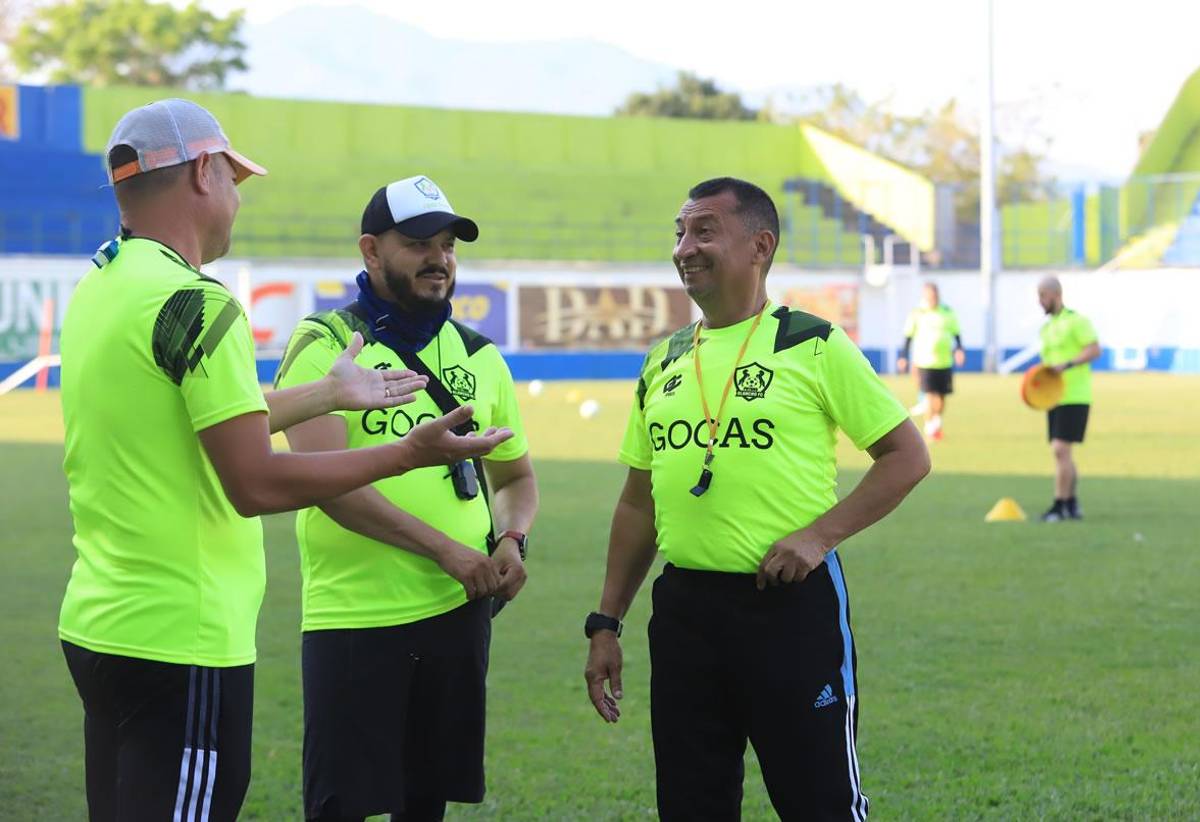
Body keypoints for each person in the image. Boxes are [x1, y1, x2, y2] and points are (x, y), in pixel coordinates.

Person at [57, 100, 512, 822]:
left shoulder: (103, 286)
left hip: (101, 623)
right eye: (234, 179)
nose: (238, 200)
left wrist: (324, 395)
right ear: (204, 173)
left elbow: (197, 421)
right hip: (182, 635)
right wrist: (404, 454)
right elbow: (254, 482)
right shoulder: (197, 302)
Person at [583, 177, 930, 820]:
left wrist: (817, 537)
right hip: (686, 614)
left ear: (760, 246)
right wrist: (606, 623)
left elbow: (907, 456)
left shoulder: (812, 343)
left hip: (789, 610)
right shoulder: (663, 360)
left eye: (704, 231)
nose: (685, 247)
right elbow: (638, 505)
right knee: (691, 807)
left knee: (820, 805)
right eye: (679, 233)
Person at [275, 175, 537, 822]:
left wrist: (512, 538)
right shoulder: (326, 344)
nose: (439, 258)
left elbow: (515, 479)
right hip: (356, 617)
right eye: (419, 243)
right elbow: (324, 482)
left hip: (457, 611)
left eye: (448, 245)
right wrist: (446, 550)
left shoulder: (479, 355)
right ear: (371, 250)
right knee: (340, 806)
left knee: (425, 804)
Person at [1036, 276, 1101, 522]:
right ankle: (1072, 503)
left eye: (1043, 296)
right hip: (1054, 398)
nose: (1040, 301)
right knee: (1063, 453)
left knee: (1060, 449)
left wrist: (1068, 364)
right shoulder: (1046, 328)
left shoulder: (1076, 321)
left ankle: (1060, 505)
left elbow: (1094, 349)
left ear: (1055, 295)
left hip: (1075, 395)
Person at [897, 281, 964, 441]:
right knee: (930, 395)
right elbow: (908, 335)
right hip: (925, 361)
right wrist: (903, 356)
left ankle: (936, 420)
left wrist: (959, 349)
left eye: (934, 296)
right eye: (929, 296)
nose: (932, 298)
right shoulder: (917, 312)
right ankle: (929, 426)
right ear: (924, 296)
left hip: (944, 361)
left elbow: (956, 332)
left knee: (941, 396)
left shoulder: (947, 311)